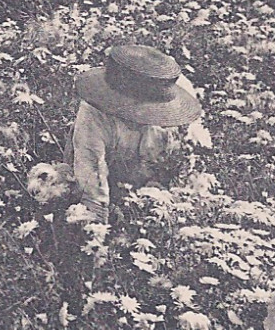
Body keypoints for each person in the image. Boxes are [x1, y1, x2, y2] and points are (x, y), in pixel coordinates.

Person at [67, 44, 204, 225]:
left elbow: (186, 162)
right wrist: (97, 232)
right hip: (110, 167)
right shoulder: (93, 114)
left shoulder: (171, 92)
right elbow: (91, 177)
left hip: (154, 174)